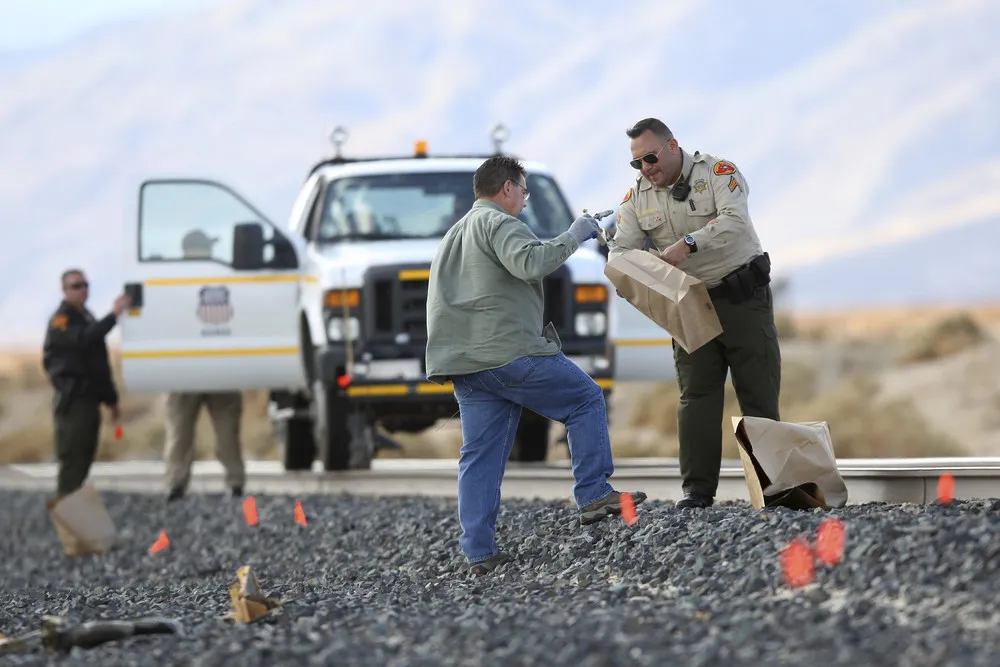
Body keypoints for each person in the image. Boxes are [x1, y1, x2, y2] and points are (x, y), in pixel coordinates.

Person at [425, 154, 647, 575]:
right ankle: (594, 494)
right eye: (523, 191)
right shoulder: (500, 223)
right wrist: (576, 235)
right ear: (506, 188)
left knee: (480, 456)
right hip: (508, 353)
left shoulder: (454, 236)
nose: (525, 200)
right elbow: (532, 261)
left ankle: (479, 552)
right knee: (585, 399)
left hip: (466, 366)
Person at [610, 117, 781, 509]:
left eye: (650, 158)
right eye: (637, 163)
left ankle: (773, 488)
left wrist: (688, 243)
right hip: (688, 304)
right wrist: (633, 275)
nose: (646, 169)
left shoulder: (718, 172)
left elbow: (735, 220)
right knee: (697, 395)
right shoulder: (637, 199)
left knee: (757, 391)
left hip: (741, 297)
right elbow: (622, 249)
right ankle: (698, 492)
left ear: (672, 147)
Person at [163, 229, 246, 501]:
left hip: (187, 366)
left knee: (183, 430)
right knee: (222, 429)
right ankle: (233, 482)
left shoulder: (171, 282)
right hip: (214, 364)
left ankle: (177, 483)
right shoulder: (220, 278)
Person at [42, 269, 131, 496]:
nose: (82, 290)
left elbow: (99, 365)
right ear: (64, 290)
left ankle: (74, 515)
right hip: (73, 401)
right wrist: (113, 315)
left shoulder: (86, 317)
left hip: (90, 401)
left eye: (85, 285)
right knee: (73, 459)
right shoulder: (61, 320)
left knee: (85, 457)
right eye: (76, 286)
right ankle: (66, 514)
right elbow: (84, 338)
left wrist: (111, 400)